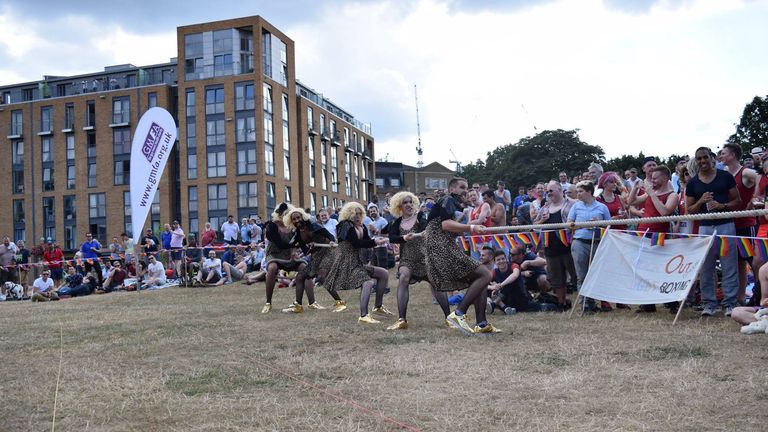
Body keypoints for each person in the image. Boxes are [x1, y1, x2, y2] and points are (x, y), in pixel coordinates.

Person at [424, 177, 496, 334]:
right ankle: (458, 314)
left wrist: (469, 225)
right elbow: (445, 225)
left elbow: (449, 226)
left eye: (467, 187)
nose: (466, 190)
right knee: (485, 274)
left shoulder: (452, 204)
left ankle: (481, 324)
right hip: (442, 248)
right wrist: (472, 227)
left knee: (480, 278)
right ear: (452, 190)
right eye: (462, 187)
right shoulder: (447, 199)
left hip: (443, 247)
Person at [686, 146, 741, 317]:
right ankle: (709, 303)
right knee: (706, 267)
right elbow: (690, 210)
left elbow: (737, 201)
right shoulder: (693, 183)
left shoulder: (725, 176)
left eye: (705, 157)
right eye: (699, 159)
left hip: (726, 225)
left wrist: (721, 206)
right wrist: (701, 201)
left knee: (729, 264)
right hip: (704, 227)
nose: (702, 161)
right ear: (696, 161)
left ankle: (730, 303)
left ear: (712, 158)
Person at [386, 191, 450, 330]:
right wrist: (404, 238)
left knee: (436, 282)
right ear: (399, 206)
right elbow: (392, 237)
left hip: (424, 257)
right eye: (405, 202)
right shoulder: (397, 222)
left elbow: (425, 229)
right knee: (403, 277)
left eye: (410, 202)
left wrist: (421, 233)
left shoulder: (420, 216)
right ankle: (402, 319)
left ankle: (449, 318)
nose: (409, 205)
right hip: (407, 259)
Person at [325, 201, 392, 323]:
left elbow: (367, 241)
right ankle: (363, 315)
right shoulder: (344, 225)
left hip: (356, 262)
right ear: (348, 215)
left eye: (360, 214)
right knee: (368, 283)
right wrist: (374, 242)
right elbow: (355, 242)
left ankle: (378, 306)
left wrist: (377, 239)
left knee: (383, 274)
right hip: (345, 263)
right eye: (354, 214)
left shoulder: (362, 226)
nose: (357, 216)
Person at [629, 165, 680, 313]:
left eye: (655, 178)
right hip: (643, 233)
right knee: (645, 268)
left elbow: (664, 212)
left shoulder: (672, 195)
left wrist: (651, 194)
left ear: (665, 178)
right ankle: (648, 303)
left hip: (660, 235)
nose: (652, 180)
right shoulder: (652, 192)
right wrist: (635, 188)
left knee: (664, 269)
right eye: (651, 178)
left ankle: (671, 302)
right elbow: (632, 202)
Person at [281, 207, 343, 313]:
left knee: (322, 277)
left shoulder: (313, 226)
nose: (297, 220)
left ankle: (340, 303)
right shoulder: (298, 234)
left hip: (327, 253)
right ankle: (298, 306)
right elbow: (306, 251)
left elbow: (329, 235)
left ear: (302, 217)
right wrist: (309, 249)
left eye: (298, 218)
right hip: (316, 256)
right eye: (294, 219)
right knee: (300, 276)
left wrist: (332, 242)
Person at [720, 143, 759, 305]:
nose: (720, 156)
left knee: (753, 260)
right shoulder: (724, 173)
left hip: (745, 222)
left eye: (723, 153)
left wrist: (755, 199)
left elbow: (762, 180)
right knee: (738, 262)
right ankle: (741, 297)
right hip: (730, 223)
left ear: (733, 155)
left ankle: (760, 294)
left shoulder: (746, 172)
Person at [568, 180, 612, 313]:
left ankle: (594, 302)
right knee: (582, 275)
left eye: (580, 191)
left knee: (595, 274)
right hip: (579, 242)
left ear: (589, 192)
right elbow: (569, 223)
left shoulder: (602, 207)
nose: (578, 194)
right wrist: (582, 225)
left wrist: (599, 223)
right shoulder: (575, 207)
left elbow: (609, 225)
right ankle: (584, 305)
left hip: (597, 242)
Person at [534, 181, 576, 311]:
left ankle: (586, 303)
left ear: (559, 189)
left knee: (576, 276)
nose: (548, 193)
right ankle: (561, 303)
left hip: (569, 246)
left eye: (551, 190)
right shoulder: (544, 208)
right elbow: (534, 226)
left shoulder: (572, 204)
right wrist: (543, 220)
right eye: (547, 191)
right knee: (557, 278)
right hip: (550, 248)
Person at [260, 203, 308, 313]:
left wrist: (310, 248)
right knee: (272, 268)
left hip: (289, 255)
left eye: (287, 214)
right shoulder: (271, 226)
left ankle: (310, 303)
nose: (284, 216)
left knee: (305, 267)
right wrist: (295, 246)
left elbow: (302, 241)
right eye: (283, 214)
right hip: (274, 254)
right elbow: (280, 244)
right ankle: (268, 303)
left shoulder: (293, 226)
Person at [364, 203, 389, 268]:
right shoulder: (371, 223)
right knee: (374, 267)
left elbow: (387, 234)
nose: (372, 213)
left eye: (374, 211)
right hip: (374, 247)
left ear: (377, 211)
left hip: (382, 247)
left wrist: (376, 230)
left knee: (382, 266)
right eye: (371, 212)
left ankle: (384, 278)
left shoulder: (383, 220)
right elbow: (372, 236)